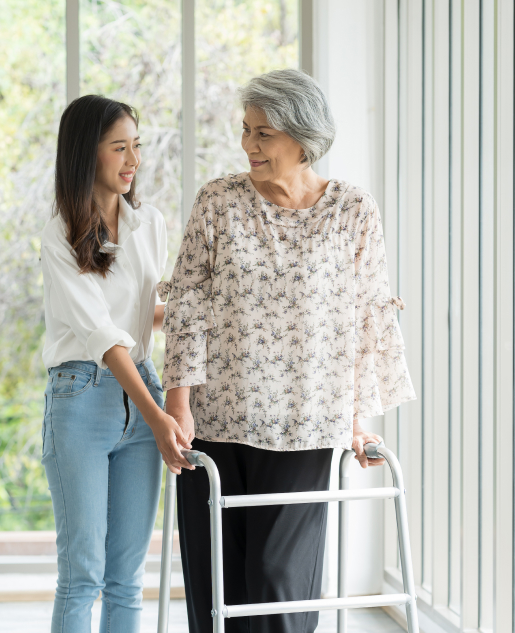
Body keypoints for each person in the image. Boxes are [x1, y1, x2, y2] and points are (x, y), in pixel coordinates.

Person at [158, 68, 416, 633]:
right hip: (216, 421)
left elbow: (365, 316)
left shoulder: (353, 211)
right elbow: (187, 308)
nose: (248, 145)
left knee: (277, 580)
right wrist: (178, 404)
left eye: (264, 134)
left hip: (306, 424)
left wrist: (354, 416)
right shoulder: (218, 203)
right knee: (216, 584)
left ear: (303, 138)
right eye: (246, 130)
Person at [40, 95, 192, 633]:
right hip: (82, 397)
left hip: (141, 387)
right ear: (87, 153)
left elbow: (139, 315)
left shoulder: (147, 222)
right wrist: (157, 415)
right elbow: (103, 335)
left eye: (137, 146)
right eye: (119, 147)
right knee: (83, 574)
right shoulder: (60, 233)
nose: (134, 160)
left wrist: (206, 311)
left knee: (127, 576)